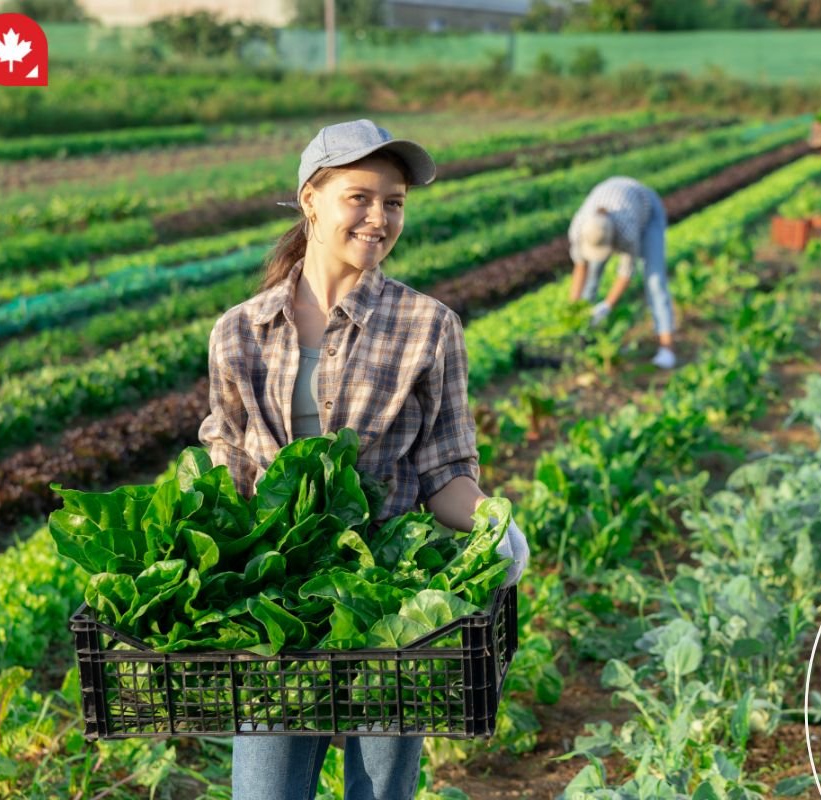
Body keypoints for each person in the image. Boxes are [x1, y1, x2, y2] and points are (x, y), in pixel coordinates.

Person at [199, 119, 530, 800]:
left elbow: (444, 474)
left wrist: (497, 523)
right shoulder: (239, 331)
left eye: (395, 202)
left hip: (389, 608)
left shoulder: (428, 326)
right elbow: (227, 476)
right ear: (311, 199)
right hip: (276, 609)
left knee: (378, 793)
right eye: (360, 197)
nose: (379, 218)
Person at [567, 176, 677, 370]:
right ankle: (583, 341)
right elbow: (580, 267)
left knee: (655, 281)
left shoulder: (627, 231)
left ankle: (667, 347)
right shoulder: (580, 227)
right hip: (615, 199)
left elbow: (626, 274)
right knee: (591, 282)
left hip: (647, 210)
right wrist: (574, 310)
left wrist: (607, 306)